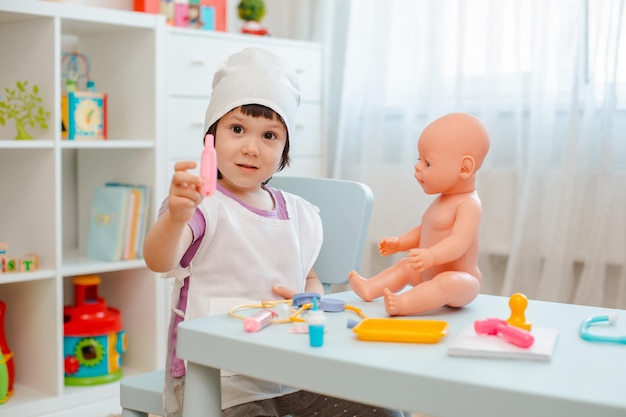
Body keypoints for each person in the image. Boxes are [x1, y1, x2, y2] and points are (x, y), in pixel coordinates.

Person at [143, 47, 403, 417]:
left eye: (269, 135)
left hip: (292, 376)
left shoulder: (298, 214)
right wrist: (174, 218)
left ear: (284, 149)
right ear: (210, 139)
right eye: (237, 129)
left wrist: (307, 298)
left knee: (384, 411)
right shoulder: (202, 206)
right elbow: (158, 260)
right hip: (218, 383)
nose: (252, 147)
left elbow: (309, 277)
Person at [349, 113, 490, 316]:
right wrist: (400, 242)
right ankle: (371, 288)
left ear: (464, 167)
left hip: (462, 281)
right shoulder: (442, 200)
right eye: (419, 159)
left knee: (446, 282)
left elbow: (459, 242)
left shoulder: (469, 205)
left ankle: (403, 304)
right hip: (428, 272)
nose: (417, 167)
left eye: (428, 163)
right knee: (406, 266)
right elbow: (425, 231)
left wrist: (432, 255)